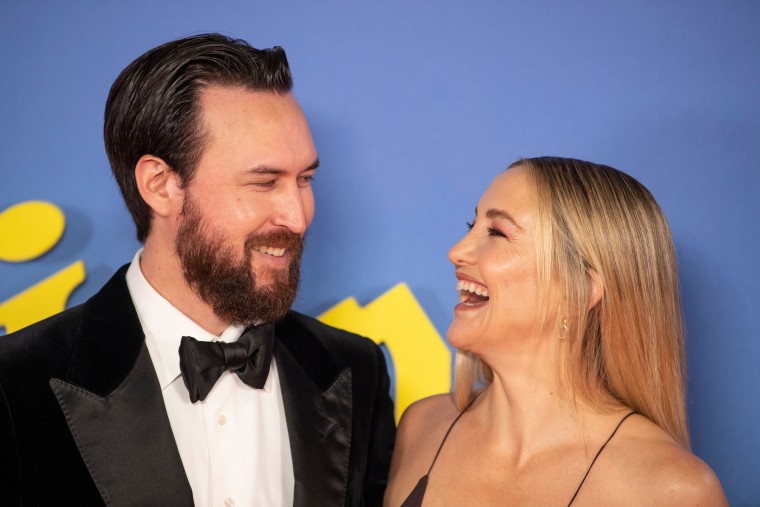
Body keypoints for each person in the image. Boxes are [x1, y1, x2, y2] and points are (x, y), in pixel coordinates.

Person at [0, 33, 395, 506]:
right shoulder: (16, 386)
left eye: (304, 179)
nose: (298, 216)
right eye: (264, 181)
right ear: (160, 185)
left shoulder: (354, 369)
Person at [384, 157, 727, 506]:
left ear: (581, 288)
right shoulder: (421, 428)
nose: (456, 251)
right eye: (471, 224)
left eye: (497, 232)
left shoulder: (671, 490)